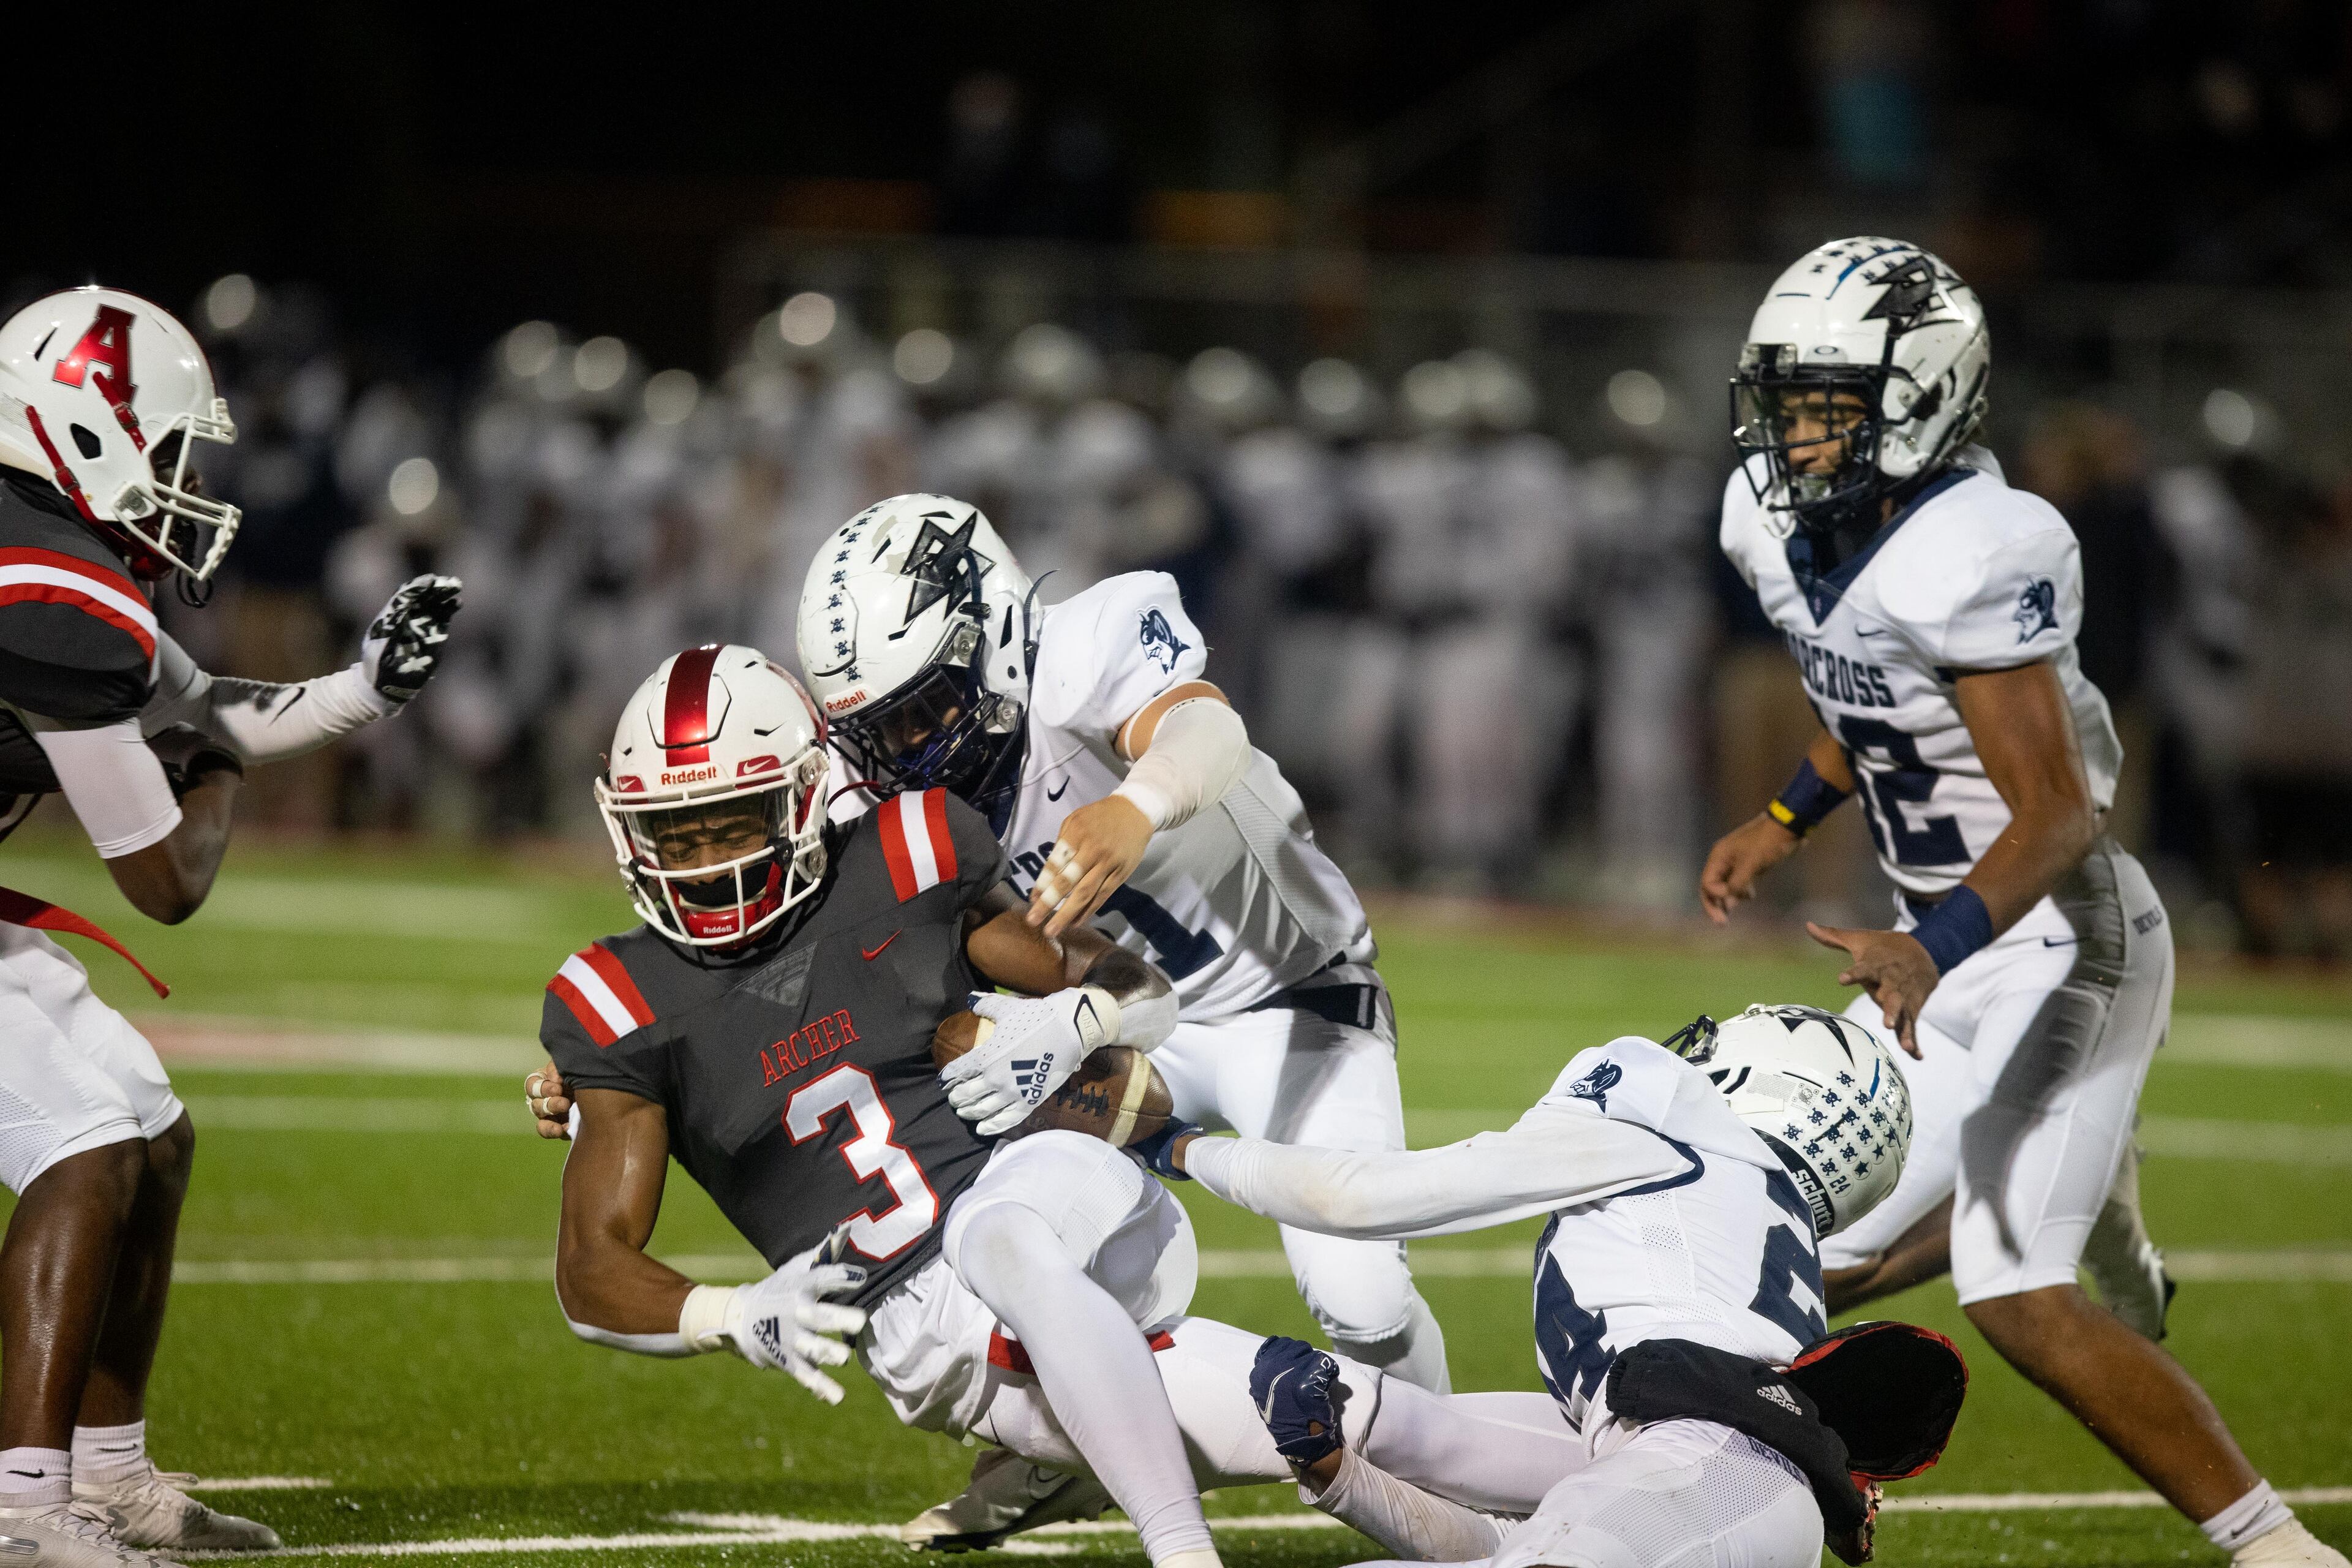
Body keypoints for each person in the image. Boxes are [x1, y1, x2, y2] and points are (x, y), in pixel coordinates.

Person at [541, 646, 1588, 1568]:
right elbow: (591, 1268)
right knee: (1353, 1419)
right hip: (931, 1336)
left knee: (1001, 1231)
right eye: (674, 837)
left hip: (1054, 1196)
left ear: (809, 792)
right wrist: (727, 1314)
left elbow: (1144, 991)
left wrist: (1080, 1019)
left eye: (732, 825)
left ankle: (1179, 1553)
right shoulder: (619, 1005)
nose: (708, 865)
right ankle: (1662, 1464)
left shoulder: (908, 856)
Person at [1698, 238, 2344, 1568]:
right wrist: (1780, 818)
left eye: (1828, 399)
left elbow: (2060, 810)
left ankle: (2278, 1544)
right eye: (1789, 395)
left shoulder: (1975, 547)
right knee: (1818, 1264)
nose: (1795, 427)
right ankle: (2077, 1175)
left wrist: (1927, 944)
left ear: (1921, 394)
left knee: (2013, 1290)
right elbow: (1866, 700)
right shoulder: (1790, 526)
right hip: (1954, 943)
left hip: (2062, 939)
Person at [0, 287, 460, 1568]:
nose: (180, 478)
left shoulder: (44, 547)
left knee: (148, 1119)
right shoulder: (44, 584)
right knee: (82, 1143)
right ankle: (24, 1511)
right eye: (161, 447)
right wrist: (216, 774)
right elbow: (163, 875)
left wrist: (364, 688)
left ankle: (107, 1475)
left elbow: (205, 707)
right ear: (80, 432)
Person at [1148, 1005, 1942, 1568]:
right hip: (1723, 1486)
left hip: (1709, 1474)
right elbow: (1494, 1530)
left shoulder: (1673, 1134)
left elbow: (1352, 1196)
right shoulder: (1748, 1236)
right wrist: (1341, 1477)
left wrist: (1177, 1147)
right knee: (1367, 1411)